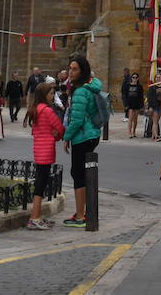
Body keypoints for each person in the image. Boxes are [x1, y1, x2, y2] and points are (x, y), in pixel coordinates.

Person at [60, 56, 104, 228]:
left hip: (83, 136)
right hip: (92, 134)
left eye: (75, 69)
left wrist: (66, 137)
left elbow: (76, 120)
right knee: (85, 174)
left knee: (78, 175)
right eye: (70, 68)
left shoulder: (80, 91)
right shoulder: (91, 86)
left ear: (82, 71)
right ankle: (84, 212)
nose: (71, 72)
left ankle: (80, 216)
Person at [24, 81, 63, 230]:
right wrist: (56, 136)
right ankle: (34, 217)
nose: (53, 96)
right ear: (44, 95)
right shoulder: (47, 111)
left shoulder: (35, 109)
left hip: (38, 150)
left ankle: (37, 216)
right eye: (51, 93)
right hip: (46, 151)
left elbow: (36, 131)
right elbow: (60, 128)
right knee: (41, 184)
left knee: (40, 183)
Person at [121, 68, 144, 138]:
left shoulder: (139, 87)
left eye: (136, 77)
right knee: (130, 118)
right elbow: (124, 95)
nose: (134, 79)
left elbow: (141, 96)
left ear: (138, 78)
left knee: (135, 119)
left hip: (136, 104)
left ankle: (134, 131)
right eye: (133, 77)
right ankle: (129, 132)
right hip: (130, 104)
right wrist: (126, 104)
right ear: (131, 78)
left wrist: (141, 105)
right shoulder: (128, 86)